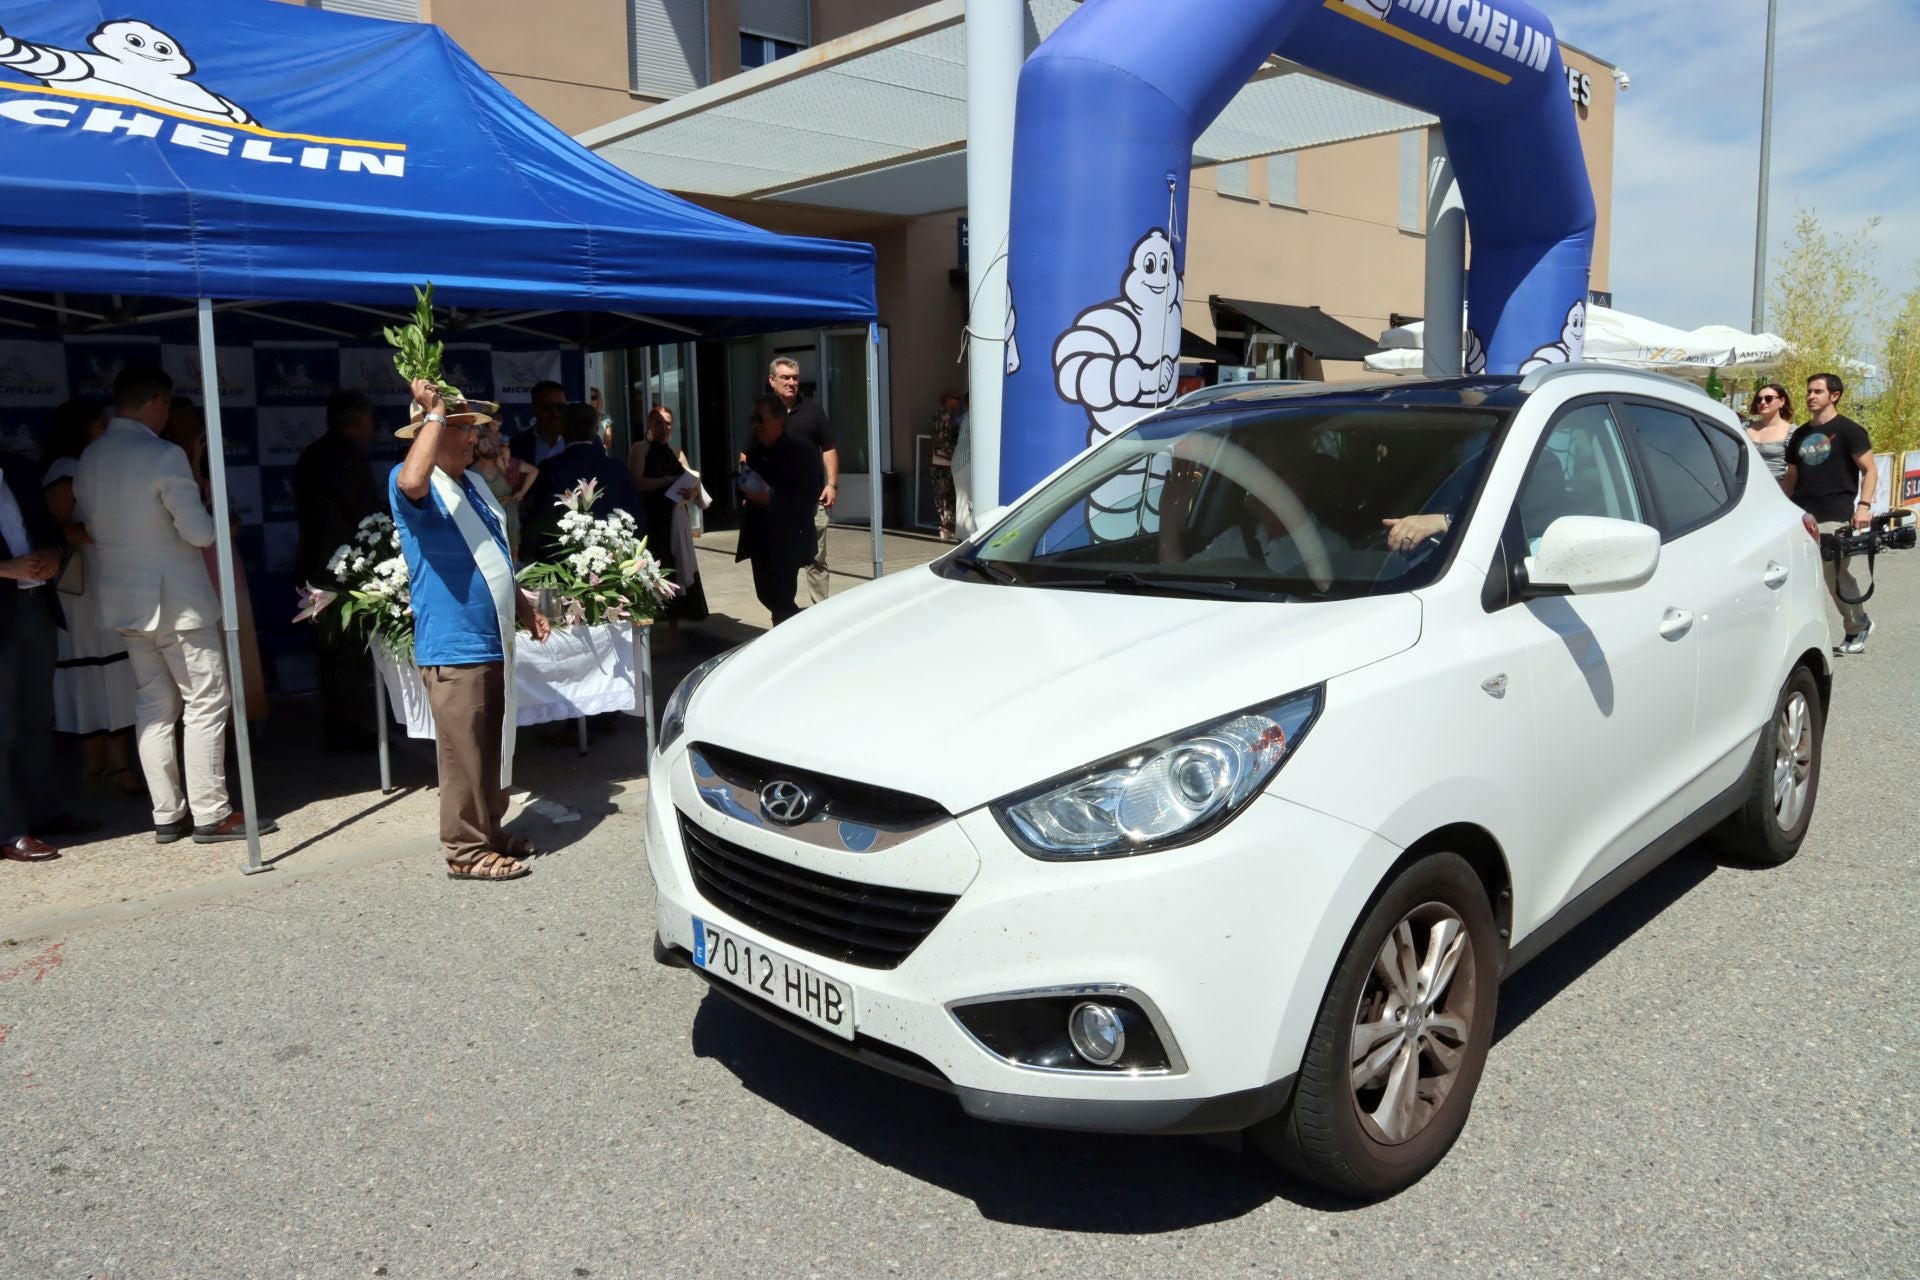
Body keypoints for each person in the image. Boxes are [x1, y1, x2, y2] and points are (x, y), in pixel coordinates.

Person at [74, 365, 270, 844]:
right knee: (205, 702)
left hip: (125, 603)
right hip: (176, 603)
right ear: (157, 402)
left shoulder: (89, 457)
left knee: (153, 708)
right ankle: (211, 813)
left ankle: (166, 813)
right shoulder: (162, 454)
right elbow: (199, 532)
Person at [392, 379, 551, 882]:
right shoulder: (413, 479)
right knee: (464, 753)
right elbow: (413, 482)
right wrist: (435, 415)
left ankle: (489, 828)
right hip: (455, 644)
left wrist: (525, 608)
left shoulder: (474, 485)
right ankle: (466, 851)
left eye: (472, 429)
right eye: (461, 429)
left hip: (492, 638)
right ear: (430, 433)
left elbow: (497, 557)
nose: (474, 438)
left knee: (491, 745)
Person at [38, 398, 142, 794]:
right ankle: (104, 767)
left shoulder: (90, 465)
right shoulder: (66, 470)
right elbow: (51, 529)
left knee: (110, 672)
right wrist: (104, 533)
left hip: (101, 583)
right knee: (95, 672)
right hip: (81, 590)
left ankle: (105, 766)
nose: (107, 429)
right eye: (101, 423)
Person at [1, 447, 88, 863]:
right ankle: (8, 829)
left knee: (36, 718)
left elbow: (50, 528)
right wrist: (5, 568)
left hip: (35, 606)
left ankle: (44, 812)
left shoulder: (16, 468)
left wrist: (54, 554)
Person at [161, 397, 267, 720]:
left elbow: (213, 510)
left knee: (236, 633)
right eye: (184, 424)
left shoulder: (206, 465)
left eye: (195, 424)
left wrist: (228, 521)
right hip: (192, 562)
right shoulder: (168, 464)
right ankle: (210, 722)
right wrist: (192, 458)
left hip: (222, 560)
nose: (193, 431)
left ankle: (242, 718)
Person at [295, 389, 385, 750]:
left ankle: (339, 725)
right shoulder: (350, 455)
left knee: (331, 650)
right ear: (361, 421)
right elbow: (363, 514)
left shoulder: (310, 454)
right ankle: (351, 729)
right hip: (344, 568)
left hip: (316, 564)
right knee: (349, 651)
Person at [1784, 372, 1878, 654]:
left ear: (1834, 396)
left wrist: (1864, 506)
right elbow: (1791, 477)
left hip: (1835, 515)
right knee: (1798, 576)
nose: (1811, 396)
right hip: (1801, 516)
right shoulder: (1800, 434)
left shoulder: (1850, 431)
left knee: (1833, 574)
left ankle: (1857, 626)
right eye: (1809, 391)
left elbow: (1870, 470)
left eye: (1817, 391)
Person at [736, 393, 825, 625]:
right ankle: (800, 625)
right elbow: (745, 485)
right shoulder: (755, 452)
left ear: (779, 420)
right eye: (753, 419)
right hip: (760, 536)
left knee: (782, 598)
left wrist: (770, 498)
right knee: (765, 594)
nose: (756, 425)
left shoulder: (801, 453)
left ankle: (796, 632)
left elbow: (806, 499)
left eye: (761, 419)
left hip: (789, 536)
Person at [521, 404, 644, 560]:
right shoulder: (618, 469)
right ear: (595, 430)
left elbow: (541, 520)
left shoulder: (550, 468)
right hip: (615, 563)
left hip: (563, 565)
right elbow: (637, 518)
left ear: (563, 430)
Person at [629, 406, 710, 622]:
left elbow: (692, 483)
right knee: (655, 565)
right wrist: (665, 481)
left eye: (667, 423)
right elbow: (636, 482)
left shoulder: (676, 452)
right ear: (649, 425)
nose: (663, 427)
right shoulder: (640, 449)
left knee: (676, 567)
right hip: (652, 518)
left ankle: (675, 621)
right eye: (658, 423)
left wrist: (691, 490)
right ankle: (654, 620)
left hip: (675, 517)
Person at [767, 358, 837, 603]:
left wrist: (832, 483)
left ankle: (822, 613)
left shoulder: (813, 410)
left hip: (811, 500)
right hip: (776, 502)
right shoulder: (762, 412)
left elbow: (828, 447)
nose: (791, 382)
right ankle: (785, 614)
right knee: (783, 560)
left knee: (816, 559)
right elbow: (746, 454)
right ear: (772, 380)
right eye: (786, 377)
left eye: (795, 378)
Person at [471, 420, 538, 561]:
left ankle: (513, 580)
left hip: (509, 510)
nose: (489, 447)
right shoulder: (472, 472)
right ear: (477, 451)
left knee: (513, 549)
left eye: (489, 444)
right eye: (484, 445)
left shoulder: (505, 465)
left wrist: (522, 493)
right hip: (488, 513)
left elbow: (533, 471)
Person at [507, 380, 570, 467]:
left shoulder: (583, 442)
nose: (556, 413)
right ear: (534, 409)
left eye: (561, 407)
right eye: (548, 408)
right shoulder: (516, 445)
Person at [1746, 383, 1795, 484]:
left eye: (1768, 398)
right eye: (1759, 399)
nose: (1763, 402)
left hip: (1775, 489)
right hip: (1744, 488)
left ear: (1782, 402)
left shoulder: (1791, 432)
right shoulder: (1745, 427)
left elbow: (1793, 473)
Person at [930, 390, 960, 540]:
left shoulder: (940, 415)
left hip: (939, 461)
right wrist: (955, 454)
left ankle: (945, 528)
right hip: (944, 462)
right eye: (955, 398)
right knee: (946, 495)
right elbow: (944, 441)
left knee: (943, 495)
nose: (958, 401)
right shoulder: (946, 416)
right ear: (947, 400)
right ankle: (946, 527)